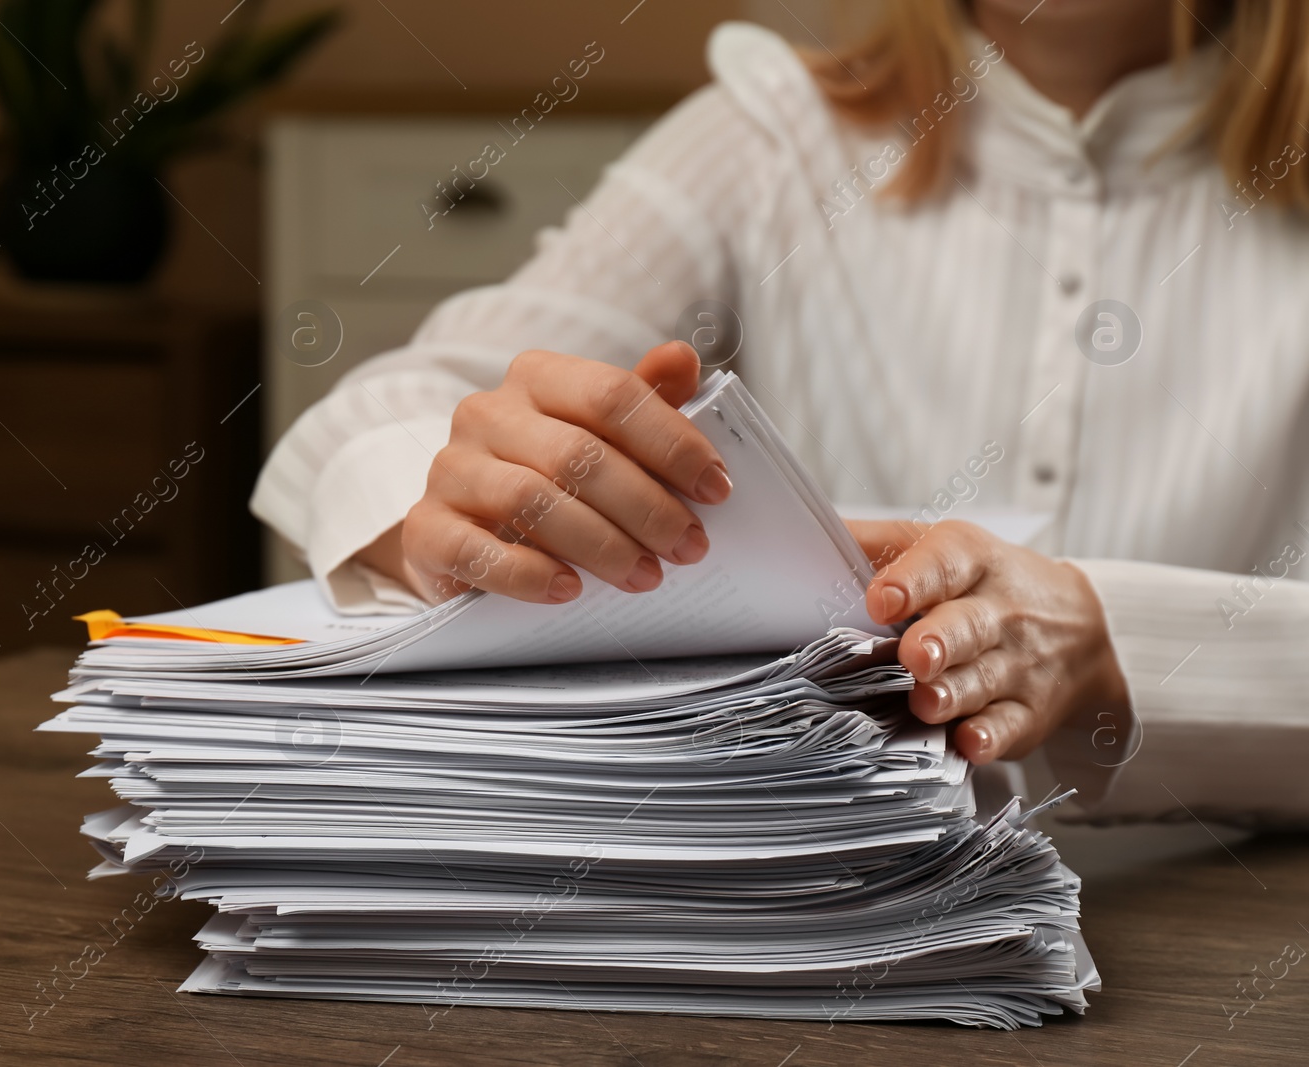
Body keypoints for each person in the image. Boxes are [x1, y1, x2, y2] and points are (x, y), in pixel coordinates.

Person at [251, 0, 1309, 825]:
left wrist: (1113, 643)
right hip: (815, 928)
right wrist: (450, 493)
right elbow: (391, 403)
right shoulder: (770, 136)